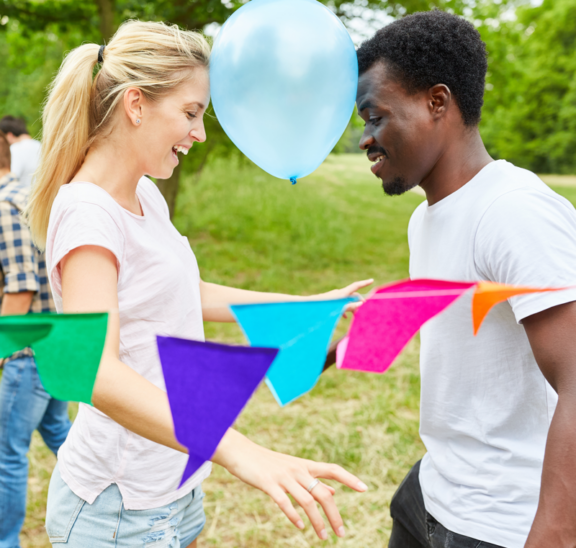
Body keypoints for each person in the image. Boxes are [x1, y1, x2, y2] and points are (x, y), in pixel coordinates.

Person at [24, 21, 370, 547]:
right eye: (190, 113)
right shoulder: (88, 213)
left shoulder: (145, 194)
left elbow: (185, 291)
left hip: (174, 484)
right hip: (121, 509)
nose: (200, 133)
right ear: (136, 105)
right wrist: (239, 450)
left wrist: (300, 306)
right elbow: (96, 372)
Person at [354, 10, 576, 548]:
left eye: (375, 117)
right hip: (430, 494)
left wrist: (555, 532)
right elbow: (452, 310)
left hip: (501, 525)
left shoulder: (513, 211)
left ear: (437, 102)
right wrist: (340, 347)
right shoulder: (425, 216)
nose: (366, 140)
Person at [0, 130, 72, 548]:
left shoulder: (4, 207)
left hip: (30, 352)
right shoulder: (24, 195)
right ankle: (111, 495)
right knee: (58, 430)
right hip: (56, 342)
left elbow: (21, 287)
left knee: (8, 455)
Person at [0, 117, 42, 188]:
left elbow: (7, 179)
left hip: (22, 197)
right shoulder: (41, 146)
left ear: (9, 136)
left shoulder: (14, 149)